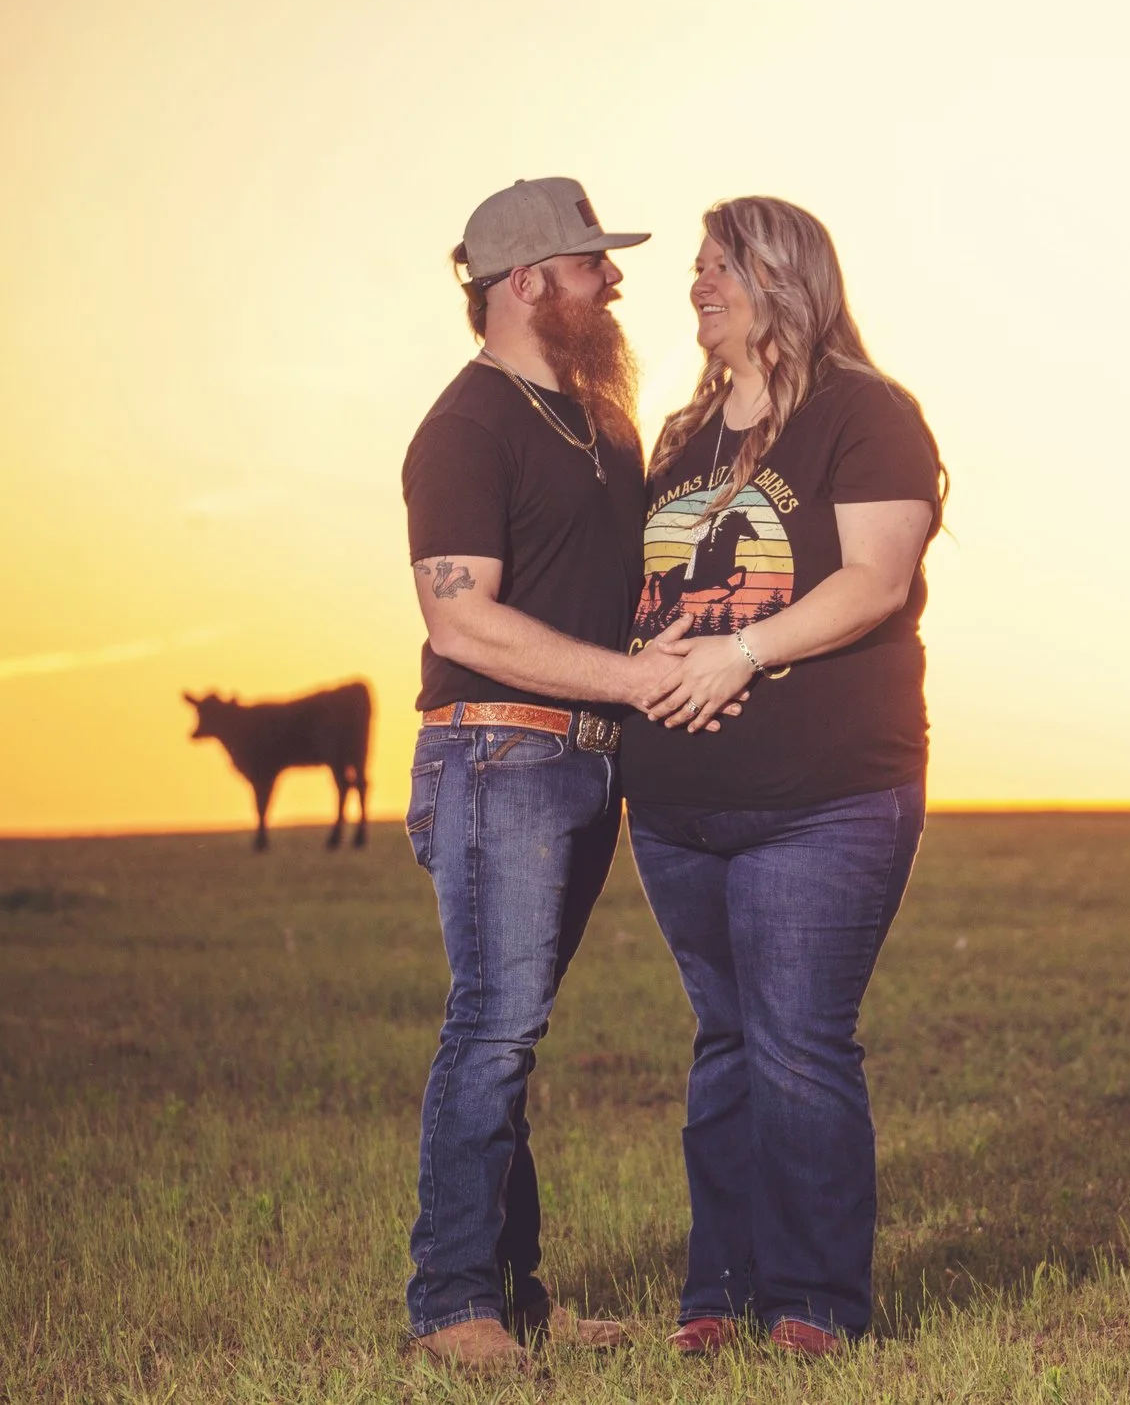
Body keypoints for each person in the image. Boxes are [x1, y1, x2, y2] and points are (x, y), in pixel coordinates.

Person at [620, 195, 945, 1357]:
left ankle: (813, 1303)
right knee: (723, 1038)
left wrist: (741, 649)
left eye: (719, 267)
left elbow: (874, 578)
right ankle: (718, 1290)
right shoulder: (678, 441)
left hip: (825, 795)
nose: (696, 284)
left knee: (798, 1038)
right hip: (674, 805)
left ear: (780, 277)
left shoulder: (866, 414)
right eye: (697, 269)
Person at [398, 176, 697, 1373]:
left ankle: (514, 1299)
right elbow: (460, 621)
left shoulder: (602, 423)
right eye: (589, 263)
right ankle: (451, 1305)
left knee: (513, 1030)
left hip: (582, 760)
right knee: (493, 1027)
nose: (613, 278)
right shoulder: (465, 428)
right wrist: (628, 681)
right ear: (525, 283)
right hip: (495, 750)